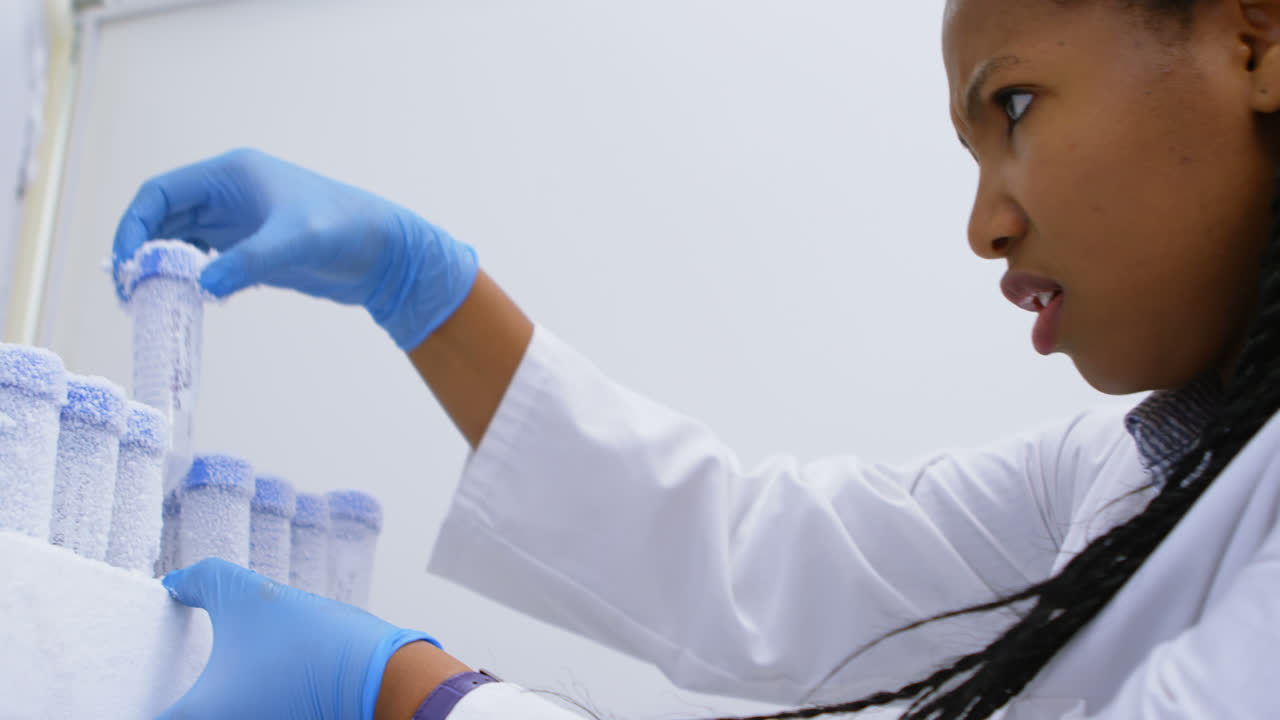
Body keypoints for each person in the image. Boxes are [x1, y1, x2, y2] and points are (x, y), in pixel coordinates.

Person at [113, 1, 1280, 718]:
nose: (983, 224)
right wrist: (421, 288)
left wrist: (430, 698)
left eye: (1014, 106)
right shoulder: (1123, 479)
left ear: (1254, 37)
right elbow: (755, 555)